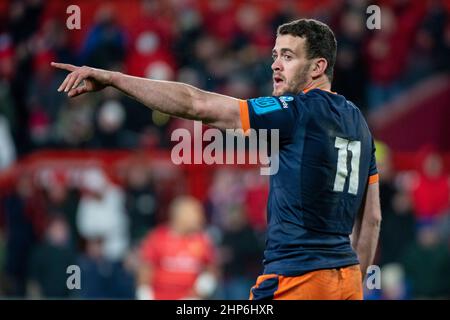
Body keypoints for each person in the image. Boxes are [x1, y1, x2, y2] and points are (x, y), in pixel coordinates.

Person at [52, 18, 381, 300]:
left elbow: (196, 104)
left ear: (318, 66)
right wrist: (357, 283)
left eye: (288, 56)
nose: (275, 64)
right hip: (347, 280)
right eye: (275, 55)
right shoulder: (360, 125)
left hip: (297, 280)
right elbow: (372, 219)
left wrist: (114, 79)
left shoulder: (294, 110)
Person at [137, 196, 218, 300]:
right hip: (159, 297)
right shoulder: (157, 238)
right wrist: (144, 293)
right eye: (195, 213)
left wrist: (201, 290)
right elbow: (146, 268)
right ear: (179, 215)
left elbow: (211, 268)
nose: (201, 218)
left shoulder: (202, 240)